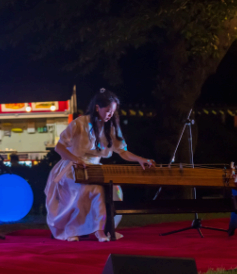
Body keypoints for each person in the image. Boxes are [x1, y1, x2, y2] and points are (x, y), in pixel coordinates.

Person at [45, 89, 155, 242]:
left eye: (113, 112)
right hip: (72, 167)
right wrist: (77, 160)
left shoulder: (111, 127)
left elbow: (122, 151)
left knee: (114, 190)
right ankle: (73, 230)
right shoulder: (80, 123)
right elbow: (59, 147)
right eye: (108, 111)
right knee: (88, 189)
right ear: (97, 107)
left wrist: (140, 159)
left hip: (94, 169)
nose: (110, 114)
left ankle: (101, 229)